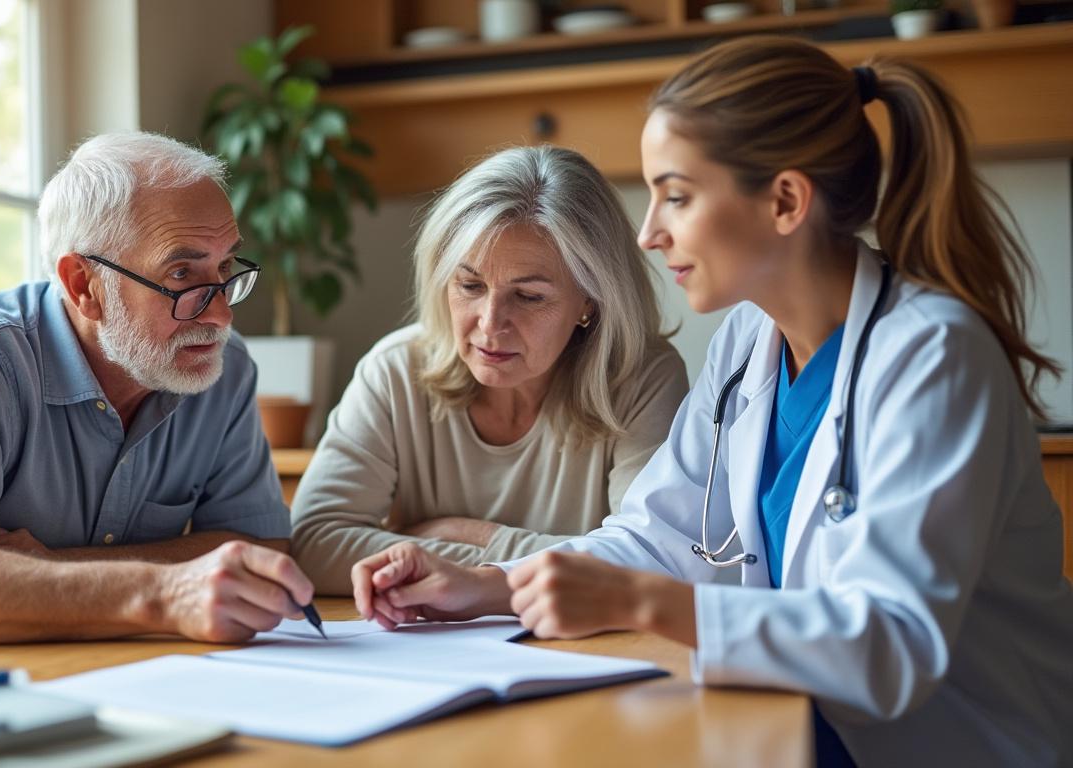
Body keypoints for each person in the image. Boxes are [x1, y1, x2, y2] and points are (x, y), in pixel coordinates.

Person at [349, 38, 1073, 765]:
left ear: (785, 201)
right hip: (795, 729)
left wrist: (640, 603)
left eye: (678, 195)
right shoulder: (748, 342)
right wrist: (488, 585)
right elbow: (659, 536)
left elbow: (891, 647)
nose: (648, 231)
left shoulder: (931, 355)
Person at [0, 132, 315, 644]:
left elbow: (260, 549)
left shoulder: (222, 368)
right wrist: (162, 592)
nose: (222, 314)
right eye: (182, 273)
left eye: (224, 267)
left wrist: (56, 566)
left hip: (102, 678)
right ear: (83, 285)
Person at [293, 145, 688, 595]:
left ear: (590, 302)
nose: (489, 323)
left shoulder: (642, 380)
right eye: (470, 285)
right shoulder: (395, 371)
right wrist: (555, 557)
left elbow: (653, 562)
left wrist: (470, 538)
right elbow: (314, 543)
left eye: (529, 296)